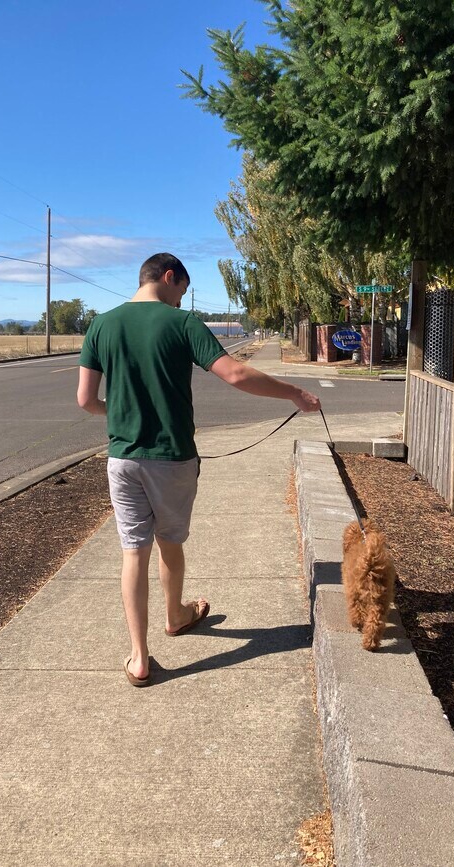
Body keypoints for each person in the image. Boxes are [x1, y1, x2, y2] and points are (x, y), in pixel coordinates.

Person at [77, 252, 320, 686]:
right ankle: (175, 615)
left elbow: (86, 400)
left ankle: (138, 658)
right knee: (170, 540)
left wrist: (123, 415)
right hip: (172, 459)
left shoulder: (101, 324)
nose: (180, 301)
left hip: (122, 459)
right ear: (169, 277)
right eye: (181, 292)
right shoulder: (183, 323)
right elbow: (236, 374)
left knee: (133, 552)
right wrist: (294, 394)